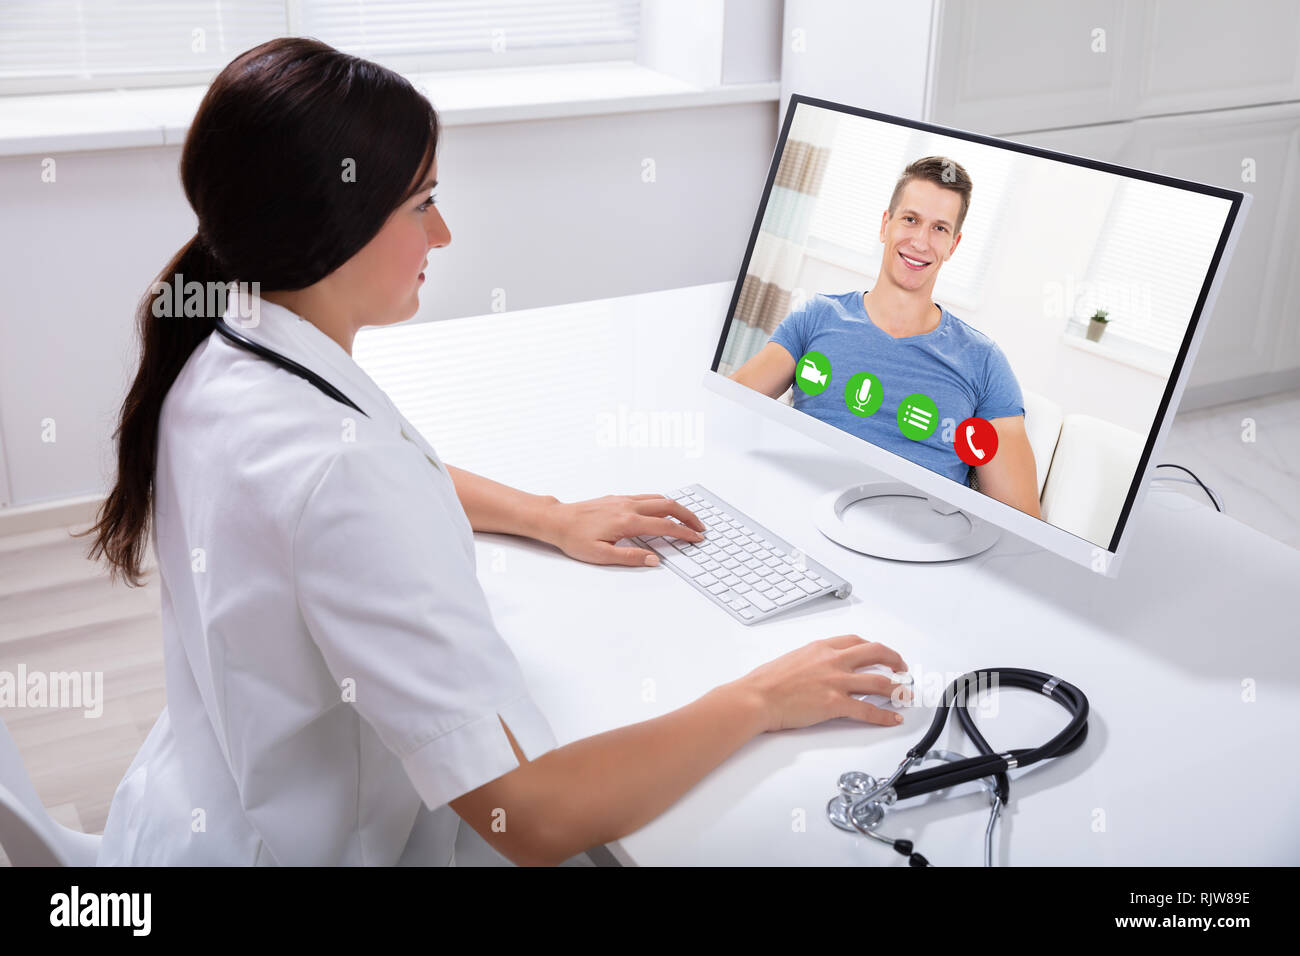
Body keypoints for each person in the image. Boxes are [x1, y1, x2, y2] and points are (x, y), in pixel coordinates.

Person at [81, 37, 910, 867]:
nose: (443, 233)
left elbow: (362, 475)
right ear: (329, 221)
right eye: (422, 204)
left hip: (194, 803)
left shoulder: (222, 352)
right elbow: (533, 819)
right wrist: (760, 697)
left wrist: (548, 516)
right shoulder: (339, 472)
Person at [730, 157, 1042, 519]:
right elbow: (731, 408)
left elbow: (1022, 522)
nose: (921, 241)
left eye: (939, 228)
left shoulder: (984, 361)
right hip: (800, 518)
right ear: (885, 225)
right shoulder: (816, 317)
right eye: (910, 220)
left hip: (914, 548)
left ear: (953, 246)